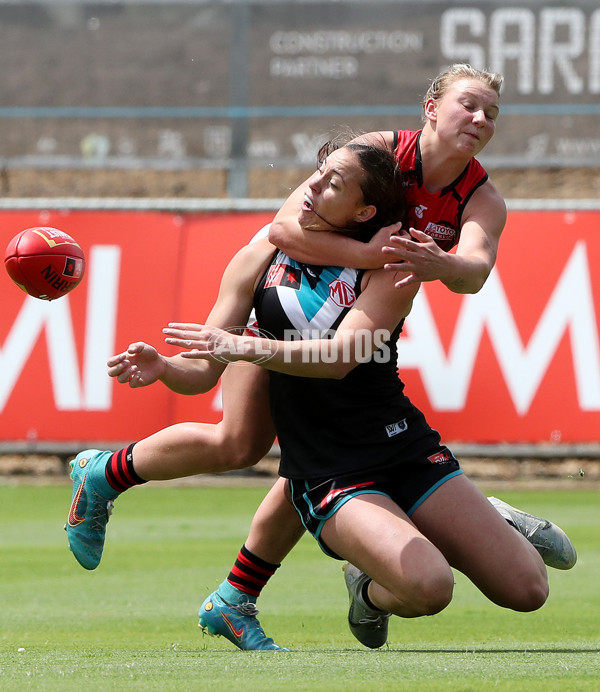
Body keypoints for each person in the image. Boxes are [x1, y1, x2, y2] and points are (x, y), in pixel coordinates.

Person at [64, 65, 576, 650]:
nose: (312, 186)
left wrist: (430, 263)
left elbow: (471, 274)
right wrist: (171, 366)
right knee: (241, 443)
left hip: (355, 373)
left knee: (526, 589)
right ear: (429, 107)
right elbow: (282, 231)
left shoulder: (447, 223)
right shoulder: (355, 182)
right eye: (468, 105)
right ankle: (116, 483)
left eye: (491, 112)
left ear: (364, 206)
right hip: (297, 367)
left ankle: (282, 585)